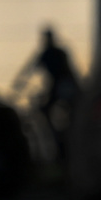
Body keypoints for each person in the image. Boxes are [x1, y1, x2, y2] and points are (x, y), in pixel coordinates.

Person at [12, 27, 81, 160]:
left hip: (63, 87)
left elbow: (70, 71)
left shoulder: (54, 53)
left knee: (57, 113)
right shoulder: (49, 53)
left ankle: (62, 138)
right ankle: (57, 139)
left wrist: (18, 86)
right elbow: (29, 70)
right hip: (59, 87)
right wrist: (18, 85)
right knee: (47, 111)